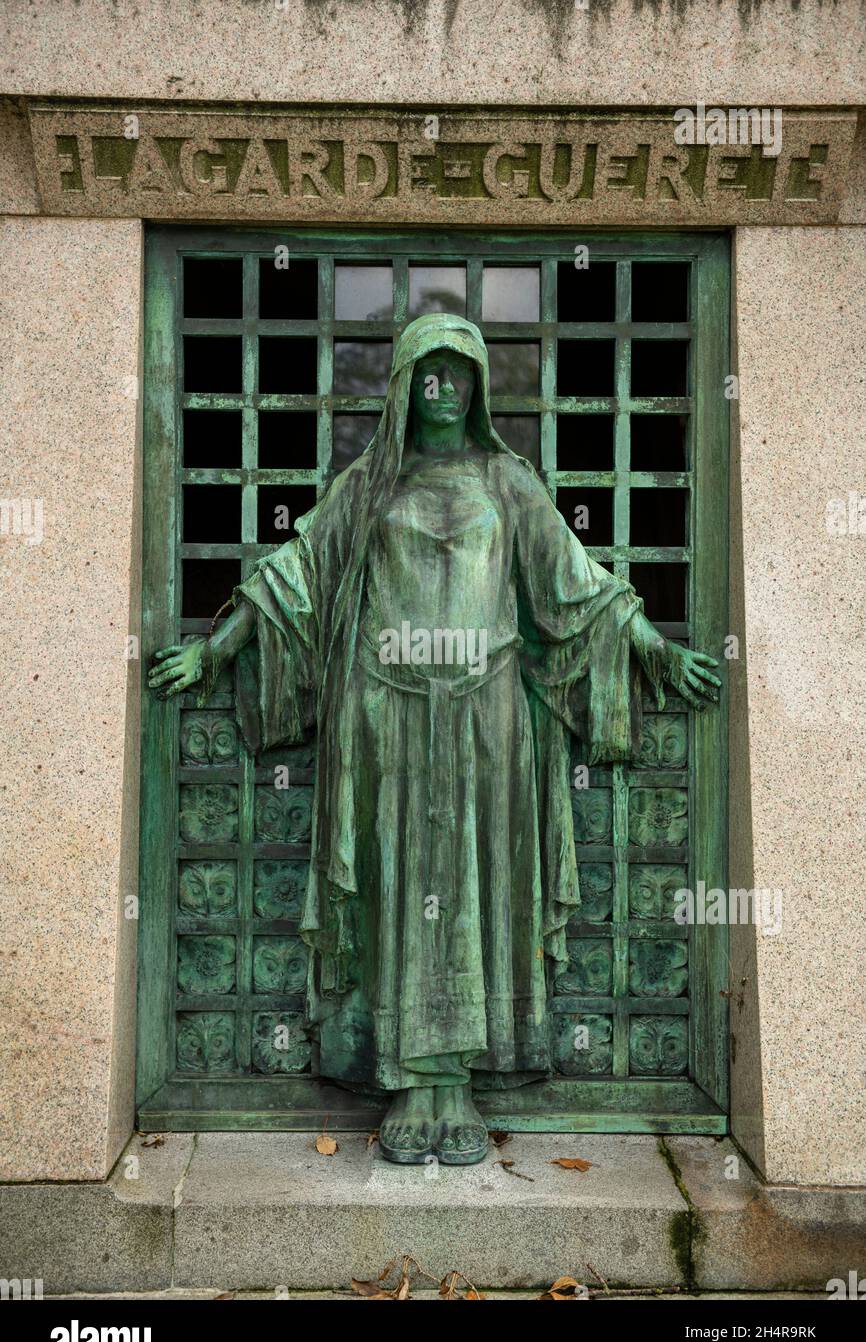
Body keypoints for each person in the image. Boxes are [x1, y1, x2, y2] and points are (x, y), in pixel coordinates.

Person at [149, 313, 720, 1164]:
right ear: (405, 385)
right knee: (395, 890)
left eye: (458, 372)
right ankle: (409, 1082)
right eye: (427, 372)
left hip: (487, 719)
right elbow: (292, 578)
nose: (442, 387)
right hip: (386, 719)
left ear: (479, 386)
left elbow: (578, 586)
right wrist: (212, 649)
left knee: (474, 894)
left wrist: (652, 647)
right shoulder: (369, 485)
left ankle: (459, 1083)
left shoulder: (507, 480)